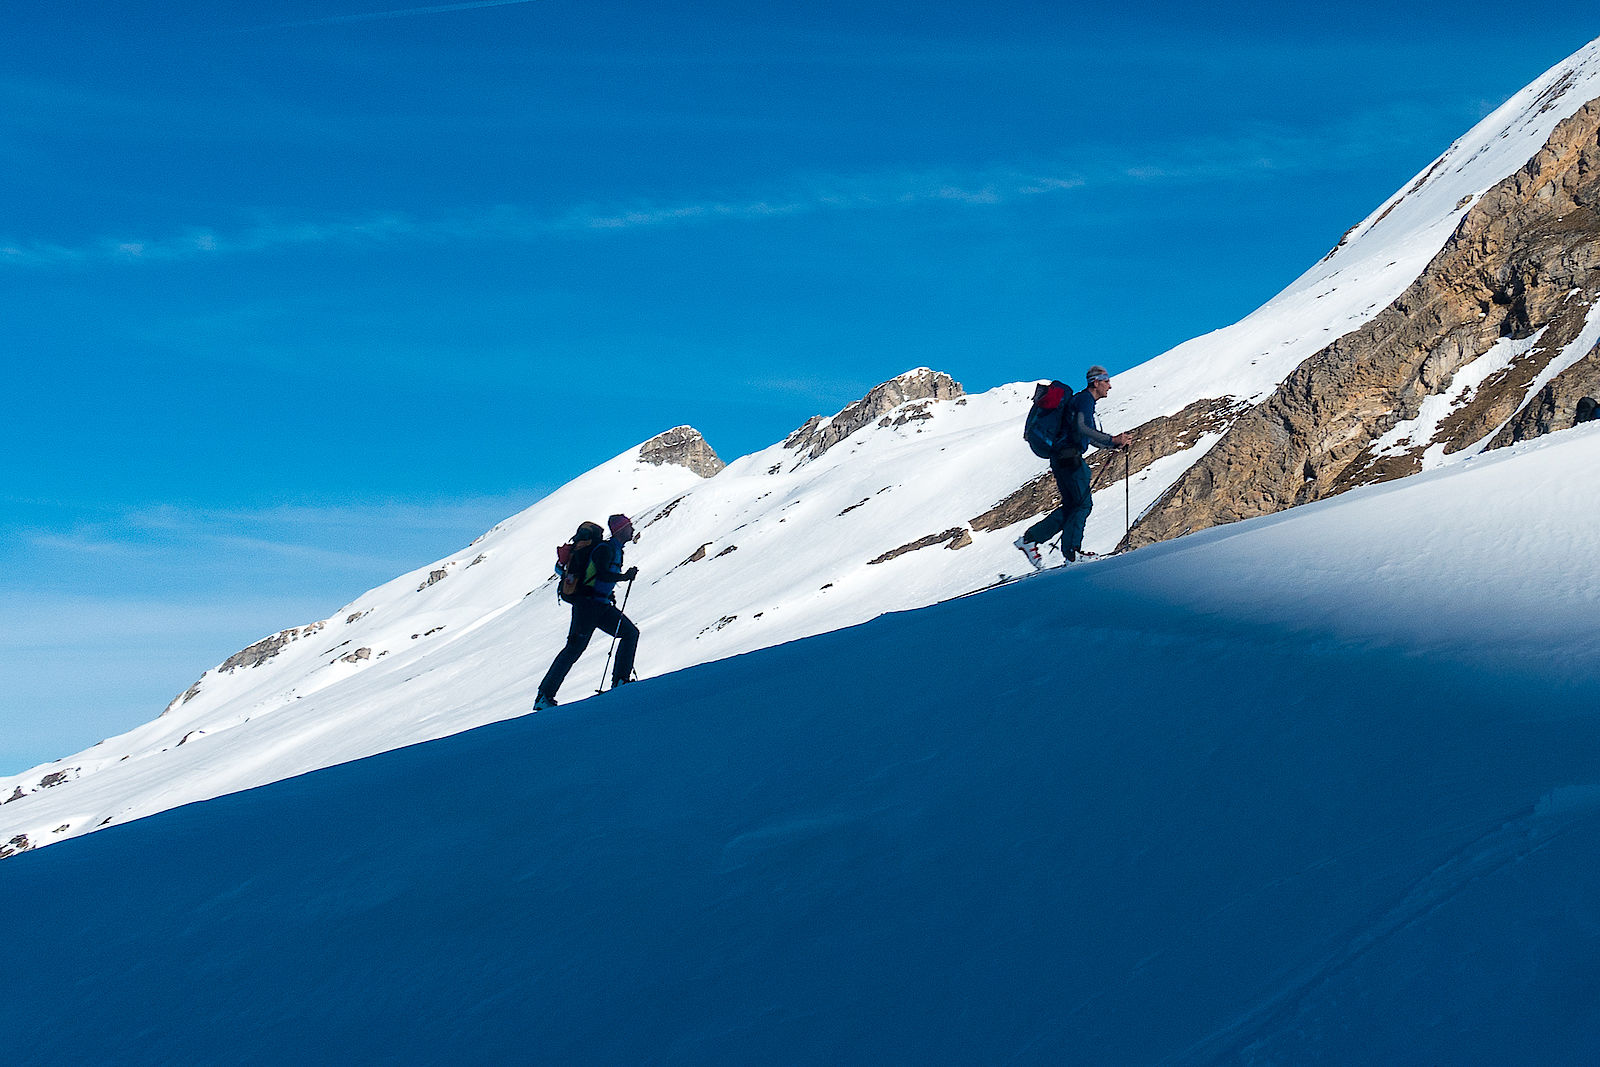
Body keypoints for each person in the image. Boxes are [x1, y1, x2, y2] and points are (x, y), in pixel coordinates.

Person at [1014, 365, 1131, 567]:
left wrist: (1111, 444)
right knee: (1082, 504)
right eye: (1107, 381)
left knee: (1073, 506)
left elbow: (1084, 432)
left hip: (1062, 459)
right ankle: (1072, 554)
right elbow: (1083, 427)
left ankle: (1031, 539)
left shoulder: (1080, 400)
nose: (1110, 386)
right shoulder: (1085, 399)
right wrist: (1113, 440)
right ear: (1096, 382)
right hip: (1070, 460)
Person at [534, 513, 640, 709]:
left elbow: (599, 577)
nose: (632, 529)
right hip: (587, 606)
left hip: (598, 605)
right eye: (629, 526)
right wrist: (624, 577)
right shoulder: (605, 549)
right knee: (574, 649)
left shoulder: (614, 550)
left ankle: (620, 680)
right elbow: (601, 573)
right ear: (620, 530)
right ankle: (544, 695)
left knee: (629, 633)